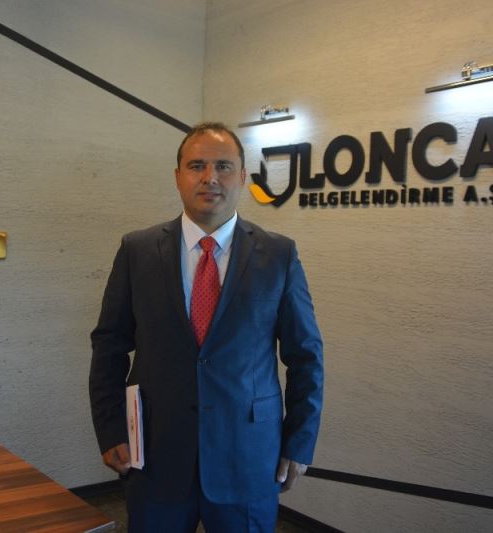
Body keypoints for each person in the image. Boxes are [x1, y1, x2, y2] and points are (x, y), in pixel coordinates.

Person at [89, 122, 323, 532]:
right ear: (178, 176)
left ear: (243, 177)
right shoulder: (137, 250)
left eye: (223, 166)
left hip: (248, 456)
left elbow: (305, 356)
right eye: (196, 165)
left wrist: (300, 440)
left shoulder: (279, 255)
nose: (210, 177)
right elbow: (109, 346)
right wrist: (110, 430)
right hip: (156, 454)